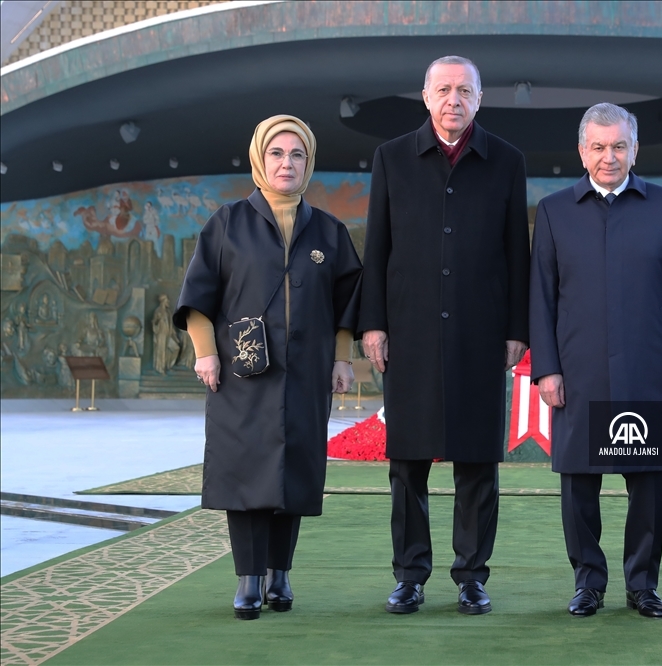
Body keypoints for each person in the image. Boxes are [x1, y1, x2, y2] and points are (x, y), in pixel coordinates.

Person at [173, 115, 362, 620]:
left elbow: (347, 304)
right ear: (259, 158)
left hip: (306, 374)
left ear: (308, 163)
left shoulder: (329, 231)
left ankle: (280, 573)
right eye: (277, 153)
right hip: (241, 374)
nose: (287, 163)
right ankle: (248, 578)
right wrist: (205, 352)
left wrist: (342, 358)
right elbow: (197, 296)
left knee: (292, 471)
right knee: (245, 472)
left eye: (297, 154)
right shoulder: (227, 223)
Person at [359, 55, 530, 616]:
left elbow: (517, 252)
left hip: (482, 330)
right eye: (444, 89)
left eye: (465, 90)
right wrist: (374, 322)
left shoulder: (506, 161)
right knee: (407, 461)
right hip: (408, 329)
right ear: (425, 96)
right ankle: (409, 575)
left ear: (480, 98)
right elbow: (377, 246)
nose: (454, 99)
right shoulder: (392, 158)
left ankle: (471, 575)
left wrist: (516, 328)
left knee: (477, 460)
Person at [530, 103, 662, 619]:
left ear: (635, 149)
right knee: (578, 483)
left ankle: (642, 584)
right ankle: (588, 583)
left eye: (619, 146)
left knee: (647, 483)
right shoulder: (554, 211)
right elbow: (541, 297)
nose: (610, 156)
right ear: (582, 151)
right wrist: (547, 368)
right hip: (577, 370)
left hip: (647, 367)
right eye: (599, 146)